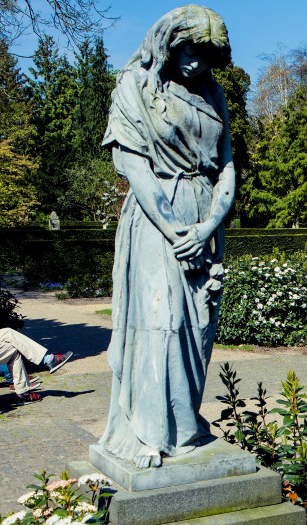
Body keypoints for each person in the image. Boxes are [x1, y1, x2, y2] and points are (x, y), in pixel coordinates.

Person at [97, 5, 235, 468]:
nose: (197, 62)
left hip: (205, 220)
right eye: (190, 50)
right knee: (161, 321)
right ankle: (147, 431)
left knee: (197, 329)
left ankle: (183, 423)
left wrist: (208, 227)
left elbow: (226, 167)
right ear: (169, 43)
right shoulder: (134, 85)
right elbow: (136, 169)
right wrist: (180, 235)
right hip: (158, 222)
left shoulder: (212, 93)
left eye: (207, 55)